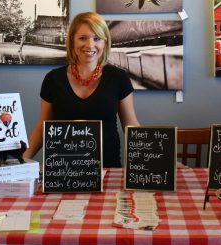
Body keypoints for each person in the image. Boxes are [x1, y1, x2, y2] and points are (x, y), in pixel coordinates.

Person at [23, 11, 140, 167]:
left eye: (97, 38)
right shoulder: (53, 79)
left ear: (105, 43)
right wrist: (21, 159)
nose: (90, 45)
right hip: (63, 171)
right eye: (83, 38)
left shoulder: (119, 78)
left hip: (107, 169)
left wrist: (157, 157)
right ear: (72, 41)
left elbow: (131, 126)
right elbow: (42, 127)